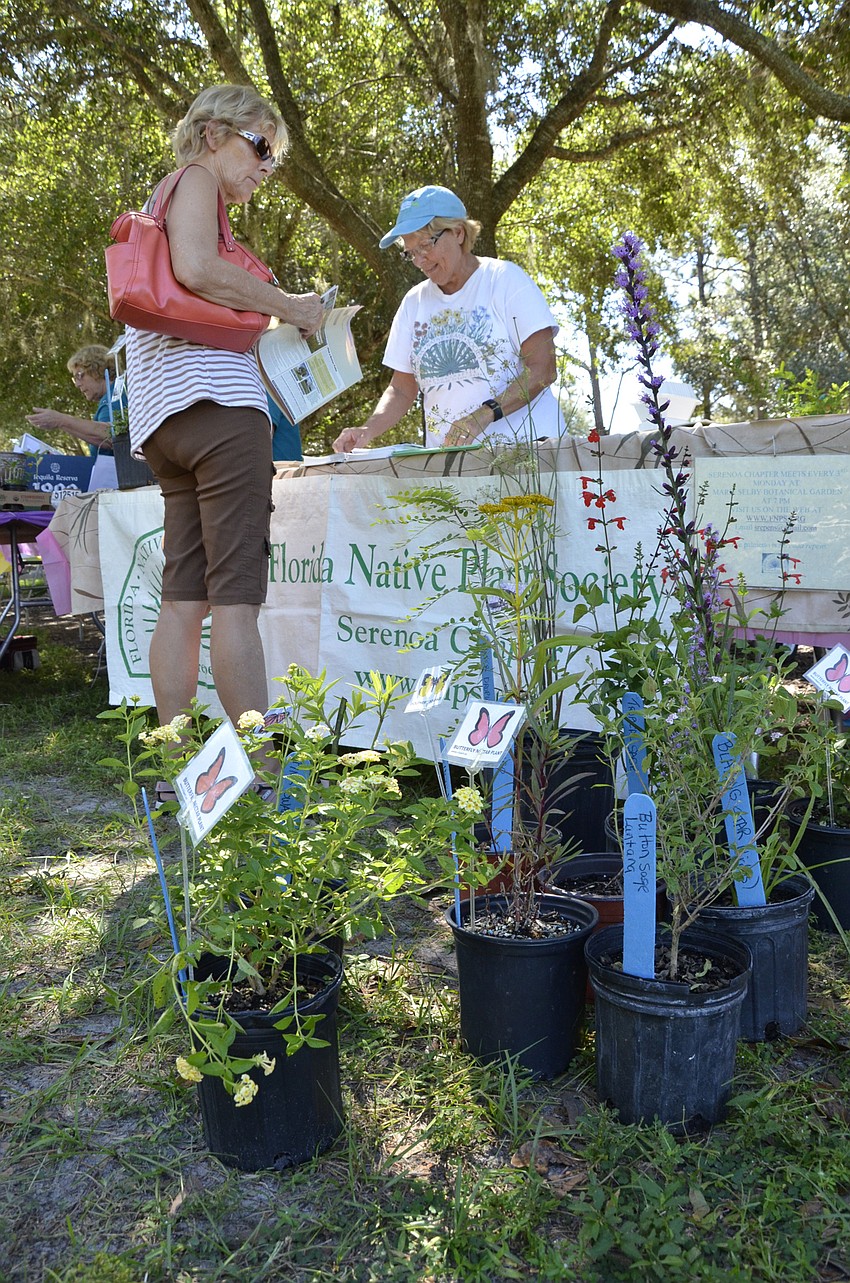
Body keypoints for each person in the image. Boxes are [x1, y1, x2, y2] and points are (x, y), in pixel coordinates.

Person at [124, 83, 322, 741]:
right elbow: (199, 268)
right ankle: (260, 776)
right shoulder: (197, 182)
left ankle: (172, 756)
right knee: (237, 604)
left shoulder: (168, 194)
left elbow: (182, 284)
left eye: (274, 158)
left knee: (184, 599)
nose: (266, 167)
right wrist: (291, 305)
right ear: (214, 133)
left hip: (165, 420)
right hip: (220, 414)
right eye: (261, 146)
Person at [333, 185, 563, 453]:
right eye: (410, 252)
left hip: (526, 458)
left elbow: (543, 369)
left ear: (458, 232)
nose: (419, 260)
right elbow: (402, 389)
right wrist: (367, 430)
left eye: (425, 245)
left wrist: (484, 414)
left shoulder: (505, 281)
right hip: (452, 468)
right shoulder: (413, 303)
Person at [27, 345, 127, 456]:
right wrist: (61, 423)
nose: (77, 384)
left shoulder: (115, 396)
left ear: (98, 370)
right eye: (75, 379)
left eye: (80, 375)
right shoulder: (114, 393)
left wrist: (61, 420)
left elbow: (110, 436)